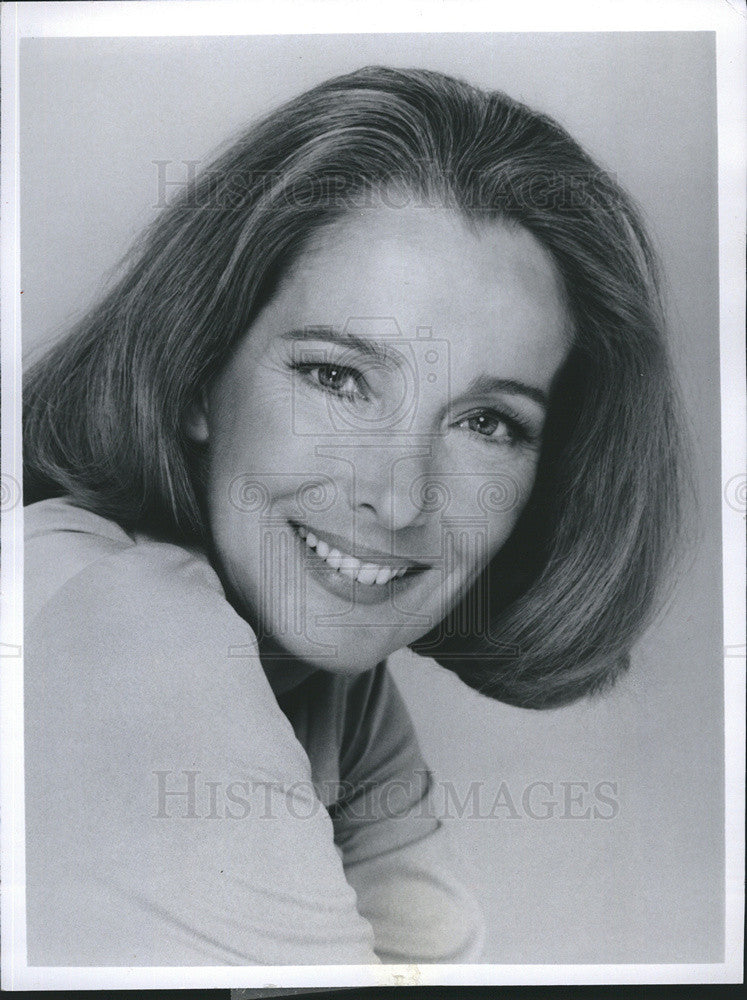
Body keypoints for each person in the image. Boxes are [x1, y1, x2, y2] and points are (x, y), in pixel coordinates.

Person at [22, 66, 686, 965]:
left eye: (486, 423)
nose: (398, 497)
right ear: (196, 373)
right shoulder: (123, 623)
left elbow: (431, 963)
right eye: (337, 376)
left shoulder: (325, 678)